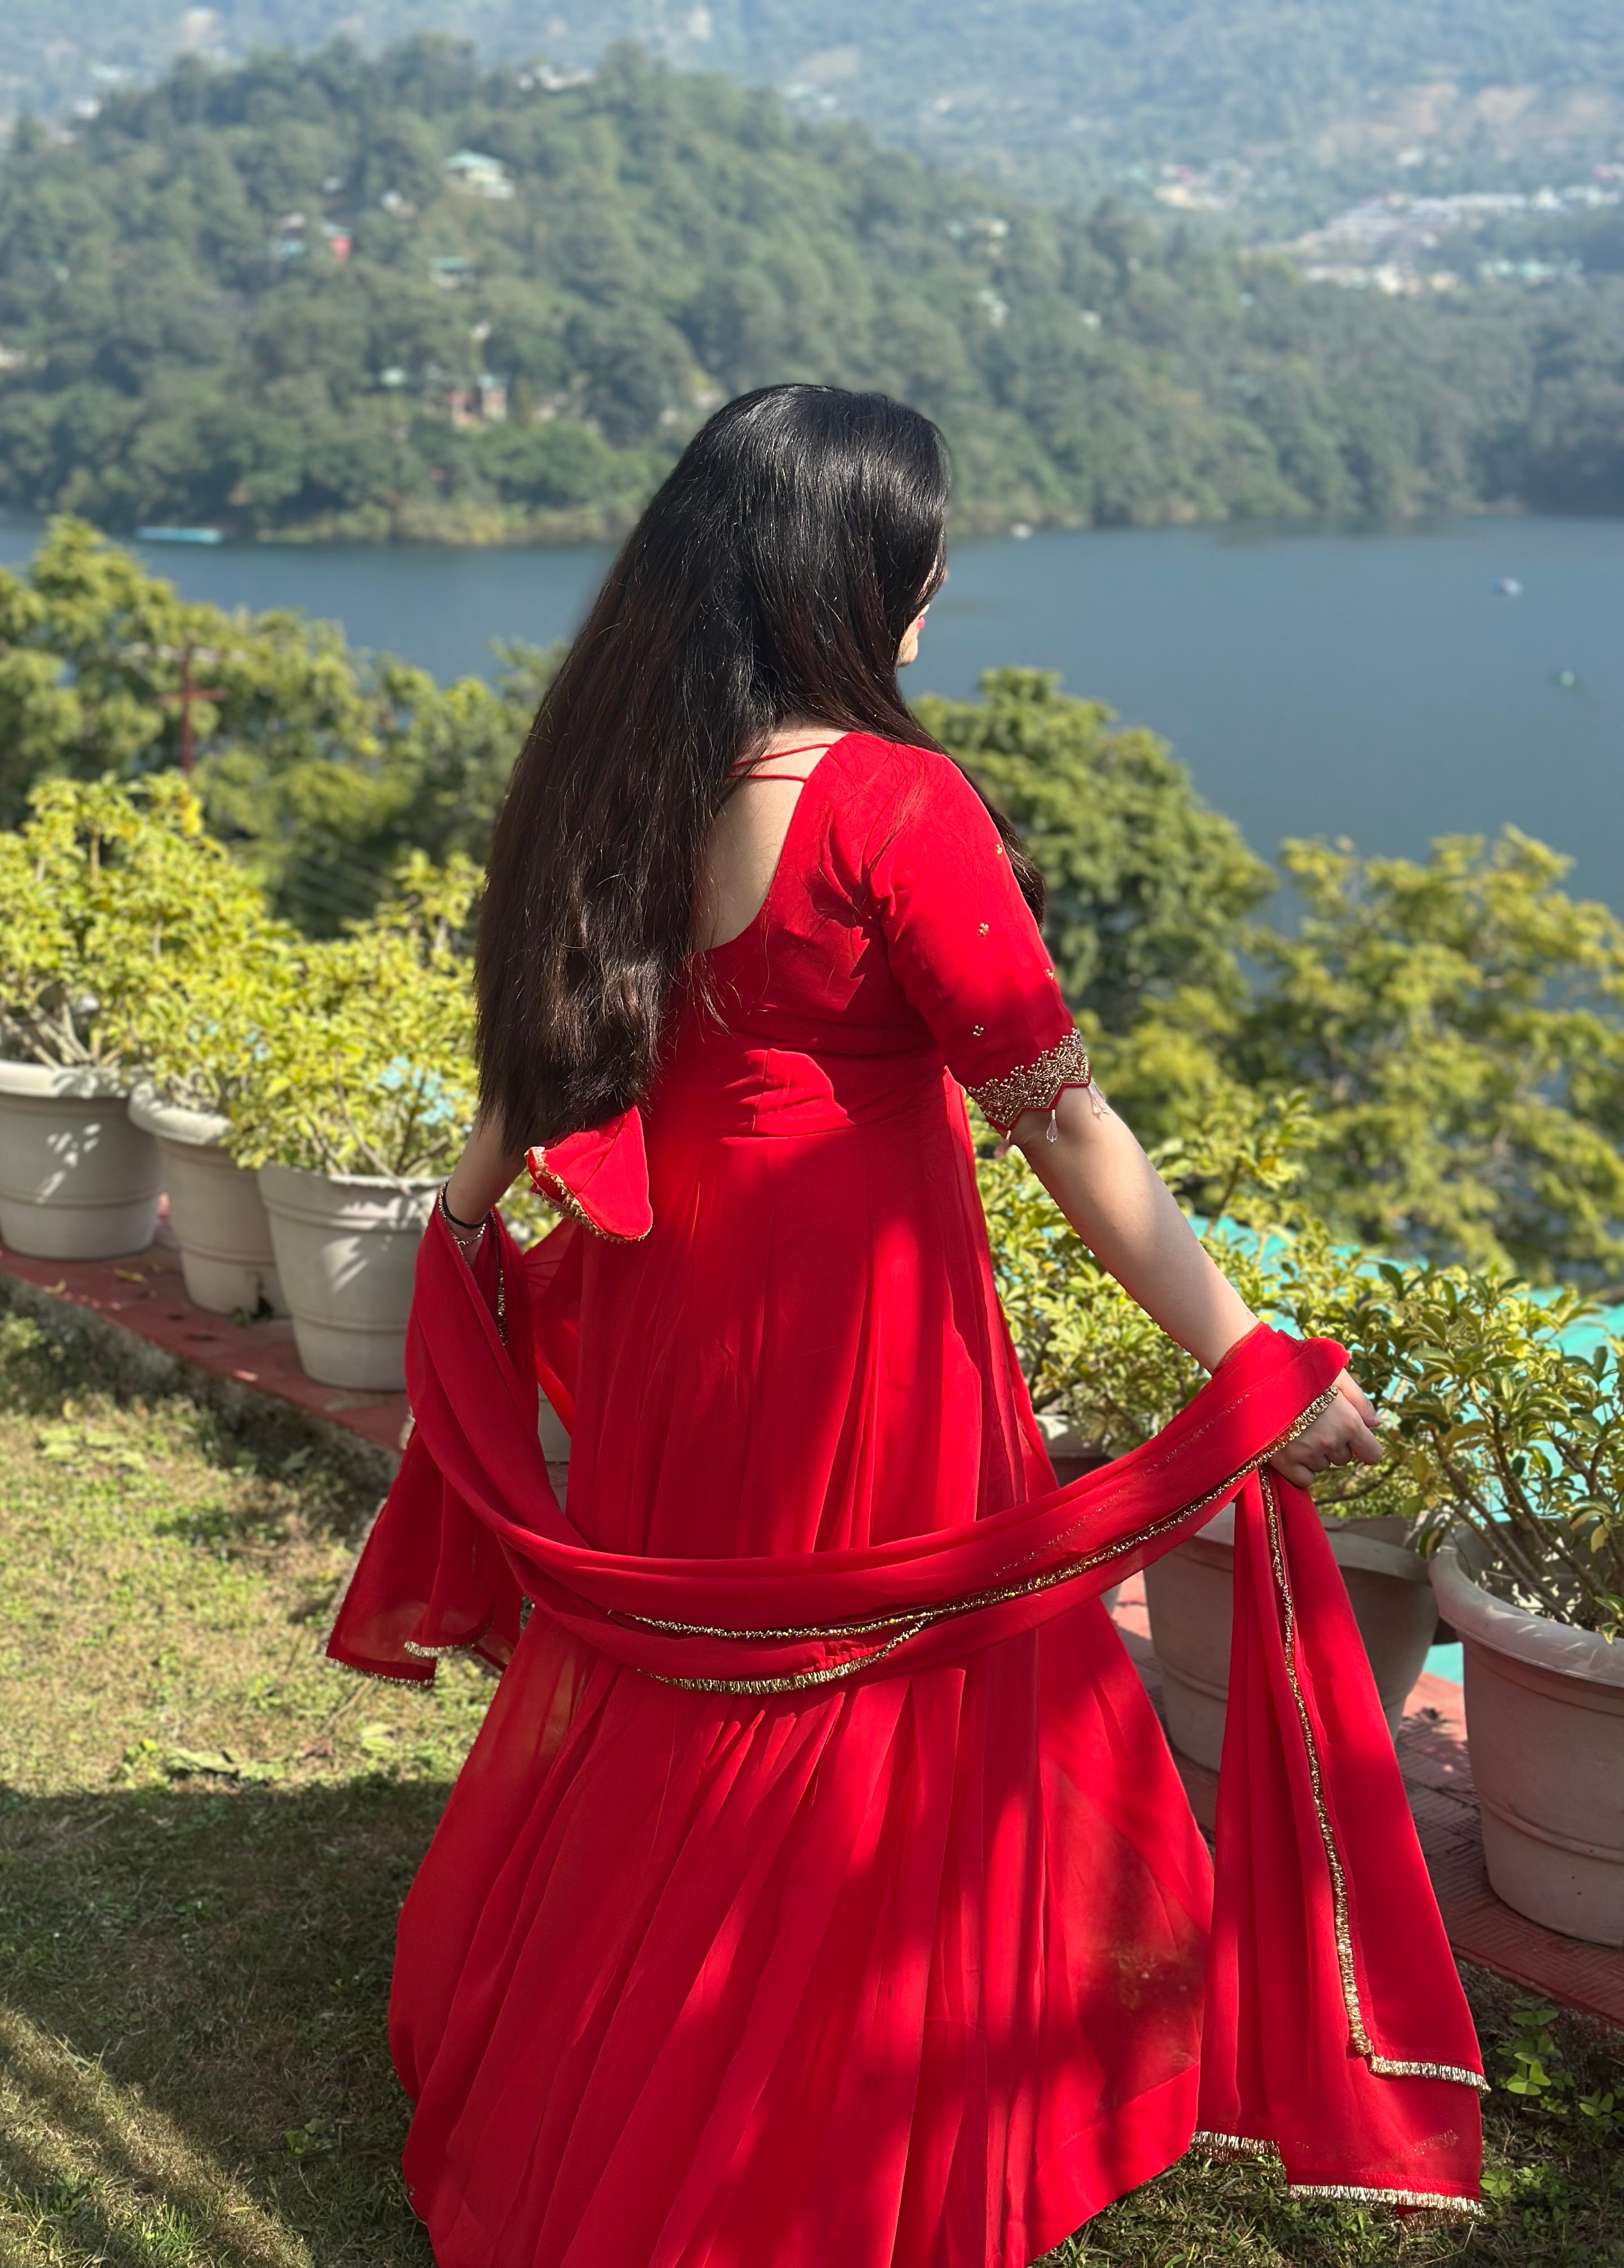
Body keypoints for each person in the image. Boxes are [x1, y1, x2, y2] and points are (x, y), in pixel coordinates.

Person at [329, 385, 1483, 2265]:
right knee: (879, 1696)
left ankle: (603, 2063)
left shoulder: (622, 772)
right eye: (922, 542)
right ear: (846, 573)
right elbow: (1065, 1124)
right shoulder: (891, 803)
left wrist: (459, 1226)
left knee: (704, 1683)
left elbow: (544, 1056)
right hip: (855, 1328)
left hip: (668, 1320)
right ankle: (834, 2110)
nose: (944, 570)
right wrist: (1252, 1361)